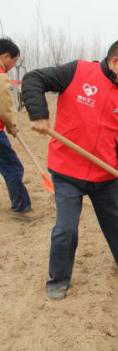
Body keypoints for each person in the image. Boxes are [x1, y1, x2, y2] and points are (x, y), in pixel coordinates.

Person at [22, 37, 118, 300]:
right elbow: (33, 78)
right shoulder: (79, 71)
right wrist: (38, 114)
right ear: (115, 61)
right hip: (67, 169)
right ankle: (59, 278)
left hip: (105, 173)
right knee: (66, 228)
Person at [0, 38, 35, 221]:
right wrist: (11, 126)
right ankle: (21, 207)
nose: (13, 66)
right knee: (13, 168)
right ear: (6, 56)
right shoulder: (0, 75)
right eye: (14, 61)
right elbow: (4, 106)